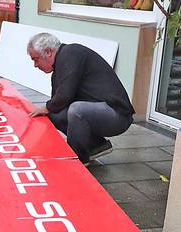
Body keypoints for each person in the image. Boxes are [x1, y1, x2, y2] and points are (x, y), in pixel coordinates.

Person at [26, 32, 133, 163]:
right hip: (102, 111)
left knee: (77, 110)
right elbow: (58, 102)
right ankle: (96, 145)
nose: (35, 65)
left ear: (48, 52)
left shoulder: (70, 53)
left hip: (118, 115)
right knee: (55, 114)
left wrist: (47, 107)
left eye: (36, 59)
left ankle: (77, 160)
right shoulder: (61, 64)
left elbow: (65, 95)